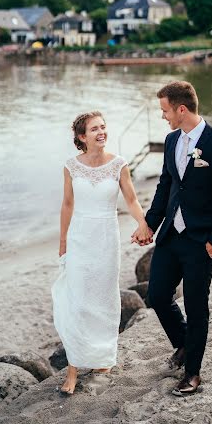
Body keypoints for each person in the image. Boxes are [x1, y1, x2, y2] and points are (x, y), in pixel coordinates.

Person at [132, 81, 212, 396]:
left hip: (203, 241)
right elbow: (166, 186)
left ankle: (192, 372)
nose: (163, 116)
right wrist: (149, 224)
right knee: (157, 295)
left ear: (181, 109)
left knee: (196, 306)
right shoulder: (171, 141)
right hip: (171, 236)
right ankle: (183, 344)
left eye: (165, 110)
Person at [52, 111, 149, 395]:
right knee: (78, 301)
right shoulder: (71, 166)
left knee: (104, 299)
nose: (101, 132)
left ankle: (101, 357)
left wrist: (143, 223)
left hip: (107, 239)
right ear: (82, 137)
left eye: (103, 127)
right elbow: (67, 205)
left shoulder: (119, 165)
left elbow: (131, 199)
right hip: (80, 238)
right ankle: (73, 369)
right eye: (95, 129)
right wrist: (63, 242)